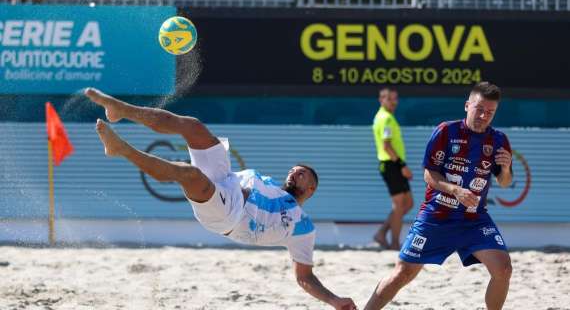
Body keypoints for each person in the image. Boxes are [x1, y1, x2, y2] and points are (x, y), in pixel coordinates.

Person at [83, 88, 357, 310]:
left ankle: (121, 149)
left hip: (230, 216)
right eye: (295, 168)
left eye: (304, 173)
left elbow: (304, 277)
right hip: (227, 182)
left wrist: (334, 300)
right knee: (193, 126)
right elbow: (239, 182)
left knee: (188, 174)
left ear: (311, 190)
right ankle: (121, 109)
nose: (296, 171)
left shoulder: (304, 227)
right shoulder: (268, 183)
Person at [364, 82, 514, 310]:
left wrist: (504, 169)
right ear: (467, 105)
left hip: (474, 219)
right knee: (402, 273)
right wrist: (455, 190)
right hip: (437, 216)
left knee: (503, 268)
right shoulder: (446, 131)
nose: (484, 116)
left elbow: (505, 182)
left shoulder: (499, 140)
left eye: (490, 112)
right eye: (479, 109)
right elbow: (428, 174)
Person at [371, 87, 414, 250]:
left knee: (408, 203)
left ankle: (381, 233)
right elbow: (387, 146)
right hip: (391, 165)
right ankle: (395, 243)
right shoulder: (386, 118)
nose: (394, 102)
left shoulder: (384, 117)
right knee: (399, 205)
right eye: (390, 99)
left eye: (396, 98)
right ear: (381, 100)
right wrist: (402, 166)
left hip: (393, 164)